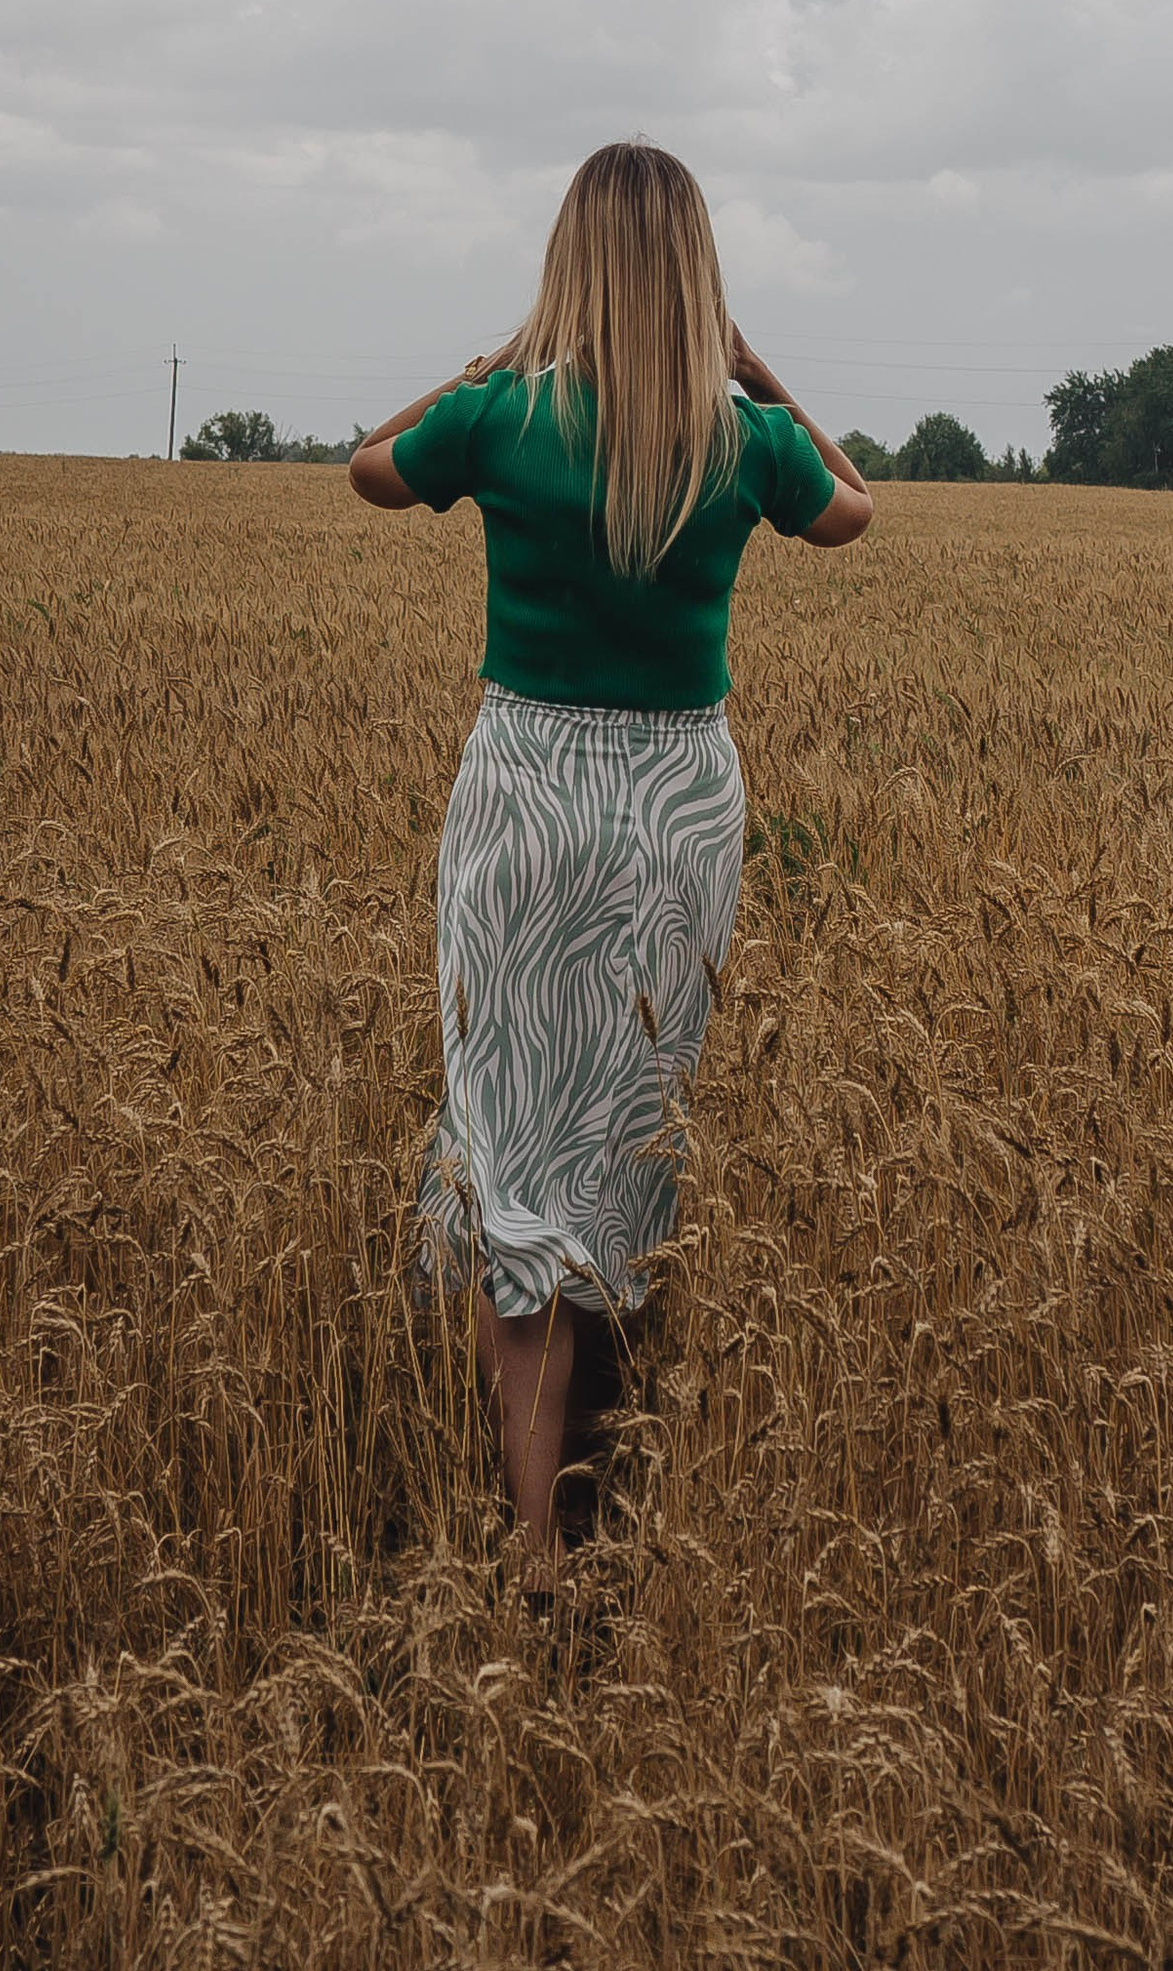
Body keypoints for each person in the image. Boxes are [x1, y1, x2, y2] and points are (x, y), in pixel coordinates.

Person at [348, 140, 872, 1577]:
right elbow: (858, 506)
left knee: (514, 1143)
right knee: (632, 1139)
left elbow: (363, 470)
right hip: (680, 811)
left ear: (565, 264)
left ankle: (532, 1540)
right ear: (700, 276)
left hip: (526, 801)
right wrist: (757, 374)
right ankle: (605, 1489)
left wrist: (490, 358)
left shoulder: (500, 421)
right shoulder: (743, 441)